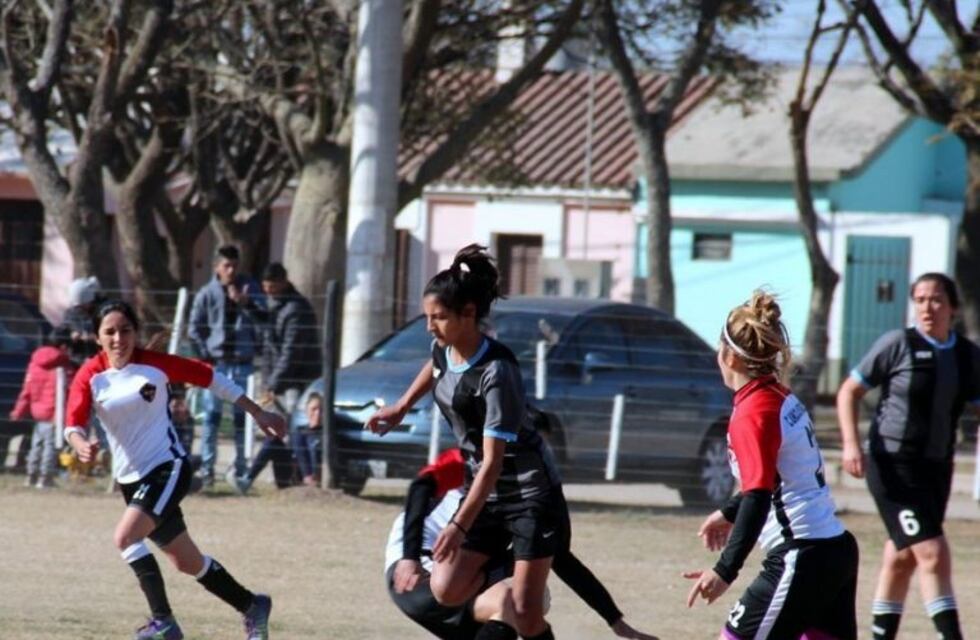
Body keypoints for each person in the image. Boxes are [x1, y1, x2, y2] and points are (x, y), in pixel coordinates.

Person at [367, 244, 561, 640]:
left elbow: (492, 464)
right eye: (428, 317)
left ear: (469, 314)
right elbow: (436, 363)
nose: (430, 326)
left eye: (438, 317)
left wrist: (458, 525)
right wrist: (402, 406)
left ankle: (513, 585)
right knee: (445, 587)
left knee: (525, 611)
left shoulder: (498, 372)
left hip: (525, 494)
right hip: (485, 491)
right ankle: (505, 574)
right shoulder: (445, 347)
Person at [65, 300, 284, 640]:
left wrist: (259, 413)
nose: (118, 338)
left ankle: (163, 622)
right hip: (131, 480)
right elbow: (73, 421)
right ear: (97, 338)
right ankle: (252, 606)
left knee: (125, 537)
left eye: (125, 330)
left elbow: (211, 378)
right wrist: (79, 443)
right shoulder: (91, 376)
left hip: (167, 467)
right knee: (187, 562)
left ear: (136, 333)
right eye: (110, 332)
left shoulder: (155, 365)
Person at [684, 291, 858, 640]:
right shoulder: (779, 396)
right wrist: (730, 510)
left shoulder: (753, 412)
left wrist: (724, 570)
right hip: (834, 550)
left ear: (730, 356)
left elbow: (759, 496)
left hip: (801, 554)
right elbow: (781, 478)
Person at [387, 447, 658, 640]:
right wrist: (408, 556)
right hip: (418, 574)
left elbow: (560, 559)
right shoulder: (476, 459)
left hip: (454, 582)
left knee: (530, 598)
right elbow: (421, 486)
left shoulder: (529, 497)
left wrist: (617, 623)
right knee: (515, 602)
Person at [836, 273, 978, 640]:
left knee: (901, 558)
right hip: (892, 467)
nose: (927, 308)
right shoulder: (897, 344)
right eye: (920, 299)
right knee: (932, 552)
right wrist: (851, 444)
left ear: (953, 308)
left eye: (935, 300)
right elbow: (848, 391)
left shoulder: (966, 355)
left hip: (937, 469)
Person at [231, 262, 320, 493]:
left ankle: (253, 478)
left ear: (282, 282)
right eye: (265, 287)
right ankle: (280, 480)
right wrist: (248, 305)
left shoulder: (296, 309)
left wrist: (273, 384)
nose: (267, 291)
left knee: (287, 431)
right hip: (281, 381)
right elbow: (268, 327)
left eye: (271, 286)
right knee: (279, 432)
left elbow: (291, 352)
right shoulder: (280, 303)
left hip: (295, 383)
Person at [188, 245, 262, 487]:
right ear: (216, 267)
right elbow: (194, 328)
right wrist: (205, 357)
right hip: (216, 364)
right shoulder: (206, 294)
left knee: (244, 418)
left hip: (243, 364)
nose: (231, 270)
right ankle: (208, 470)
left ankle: (241, 471)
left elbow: (265, 319)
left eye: (234, 266)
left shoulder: (250, 289)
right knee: (211, 418)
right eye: (226, 266)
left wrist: (246, 303)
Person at [10, 325, 74, 488]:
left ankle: (30, 475)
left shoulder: (34, 363)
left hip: (37, 412)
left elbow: (27, 390)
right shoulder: (63, 366)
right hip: (54, 413)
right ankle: (45, 478)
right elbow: (69, 389)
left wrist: (18, 411)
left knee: (36, 445)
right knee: (49, 447)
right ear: (64, 346)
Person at [291, 392, 323, 486]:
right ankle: (248, 479)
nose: (317, 413)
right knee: (272, 440)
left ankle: (310, 478)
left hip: (317, 478)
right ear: (306, 411)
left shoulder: (326, 434)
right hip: (297, 477)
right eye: (313, 409)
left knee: (315, 444)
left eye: (321, 410)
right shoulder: (299, 432)